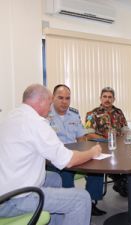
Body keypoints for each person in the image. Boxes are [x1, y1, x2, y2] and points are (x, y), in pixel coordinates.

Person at [0, 84, 101, 225]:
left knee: (54, 178)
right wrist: (92, 152)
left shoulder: (12, 115)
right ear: (41, 101)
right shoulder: (36, 123)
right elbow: (68, 161)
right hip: (13, 199)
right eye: (49, 102)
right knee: (82, 198)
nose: (50, 107)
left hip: (5, 189)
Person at [48, 84, 106, 216]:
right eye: (60, 98)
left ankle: (90, 203)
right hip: (56, 157)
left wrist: (87, 154)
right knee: (66, 174)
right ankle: (69, 207)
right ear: (52, 98)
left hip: (74, 154)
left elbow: (81, 138)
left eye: (67, 98)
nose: (64, 102)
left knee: (96, 169)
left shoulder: (74, 114)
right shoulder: (46, 114)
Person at [85, 86, 128, 197]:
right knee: (96, 169)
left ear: (114, 99)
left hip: (119, 148)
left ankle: (120, 179)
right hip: (101, 148)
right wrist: (107, 140)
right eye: (105, 97)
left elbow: (125, 129)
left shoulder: (118, 112)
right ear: (100, 98)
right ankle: (94, 201)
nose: (107, 99)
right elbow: (89, 134)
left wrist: (127, 137)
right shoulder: (92, 114)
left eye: (110, 97)